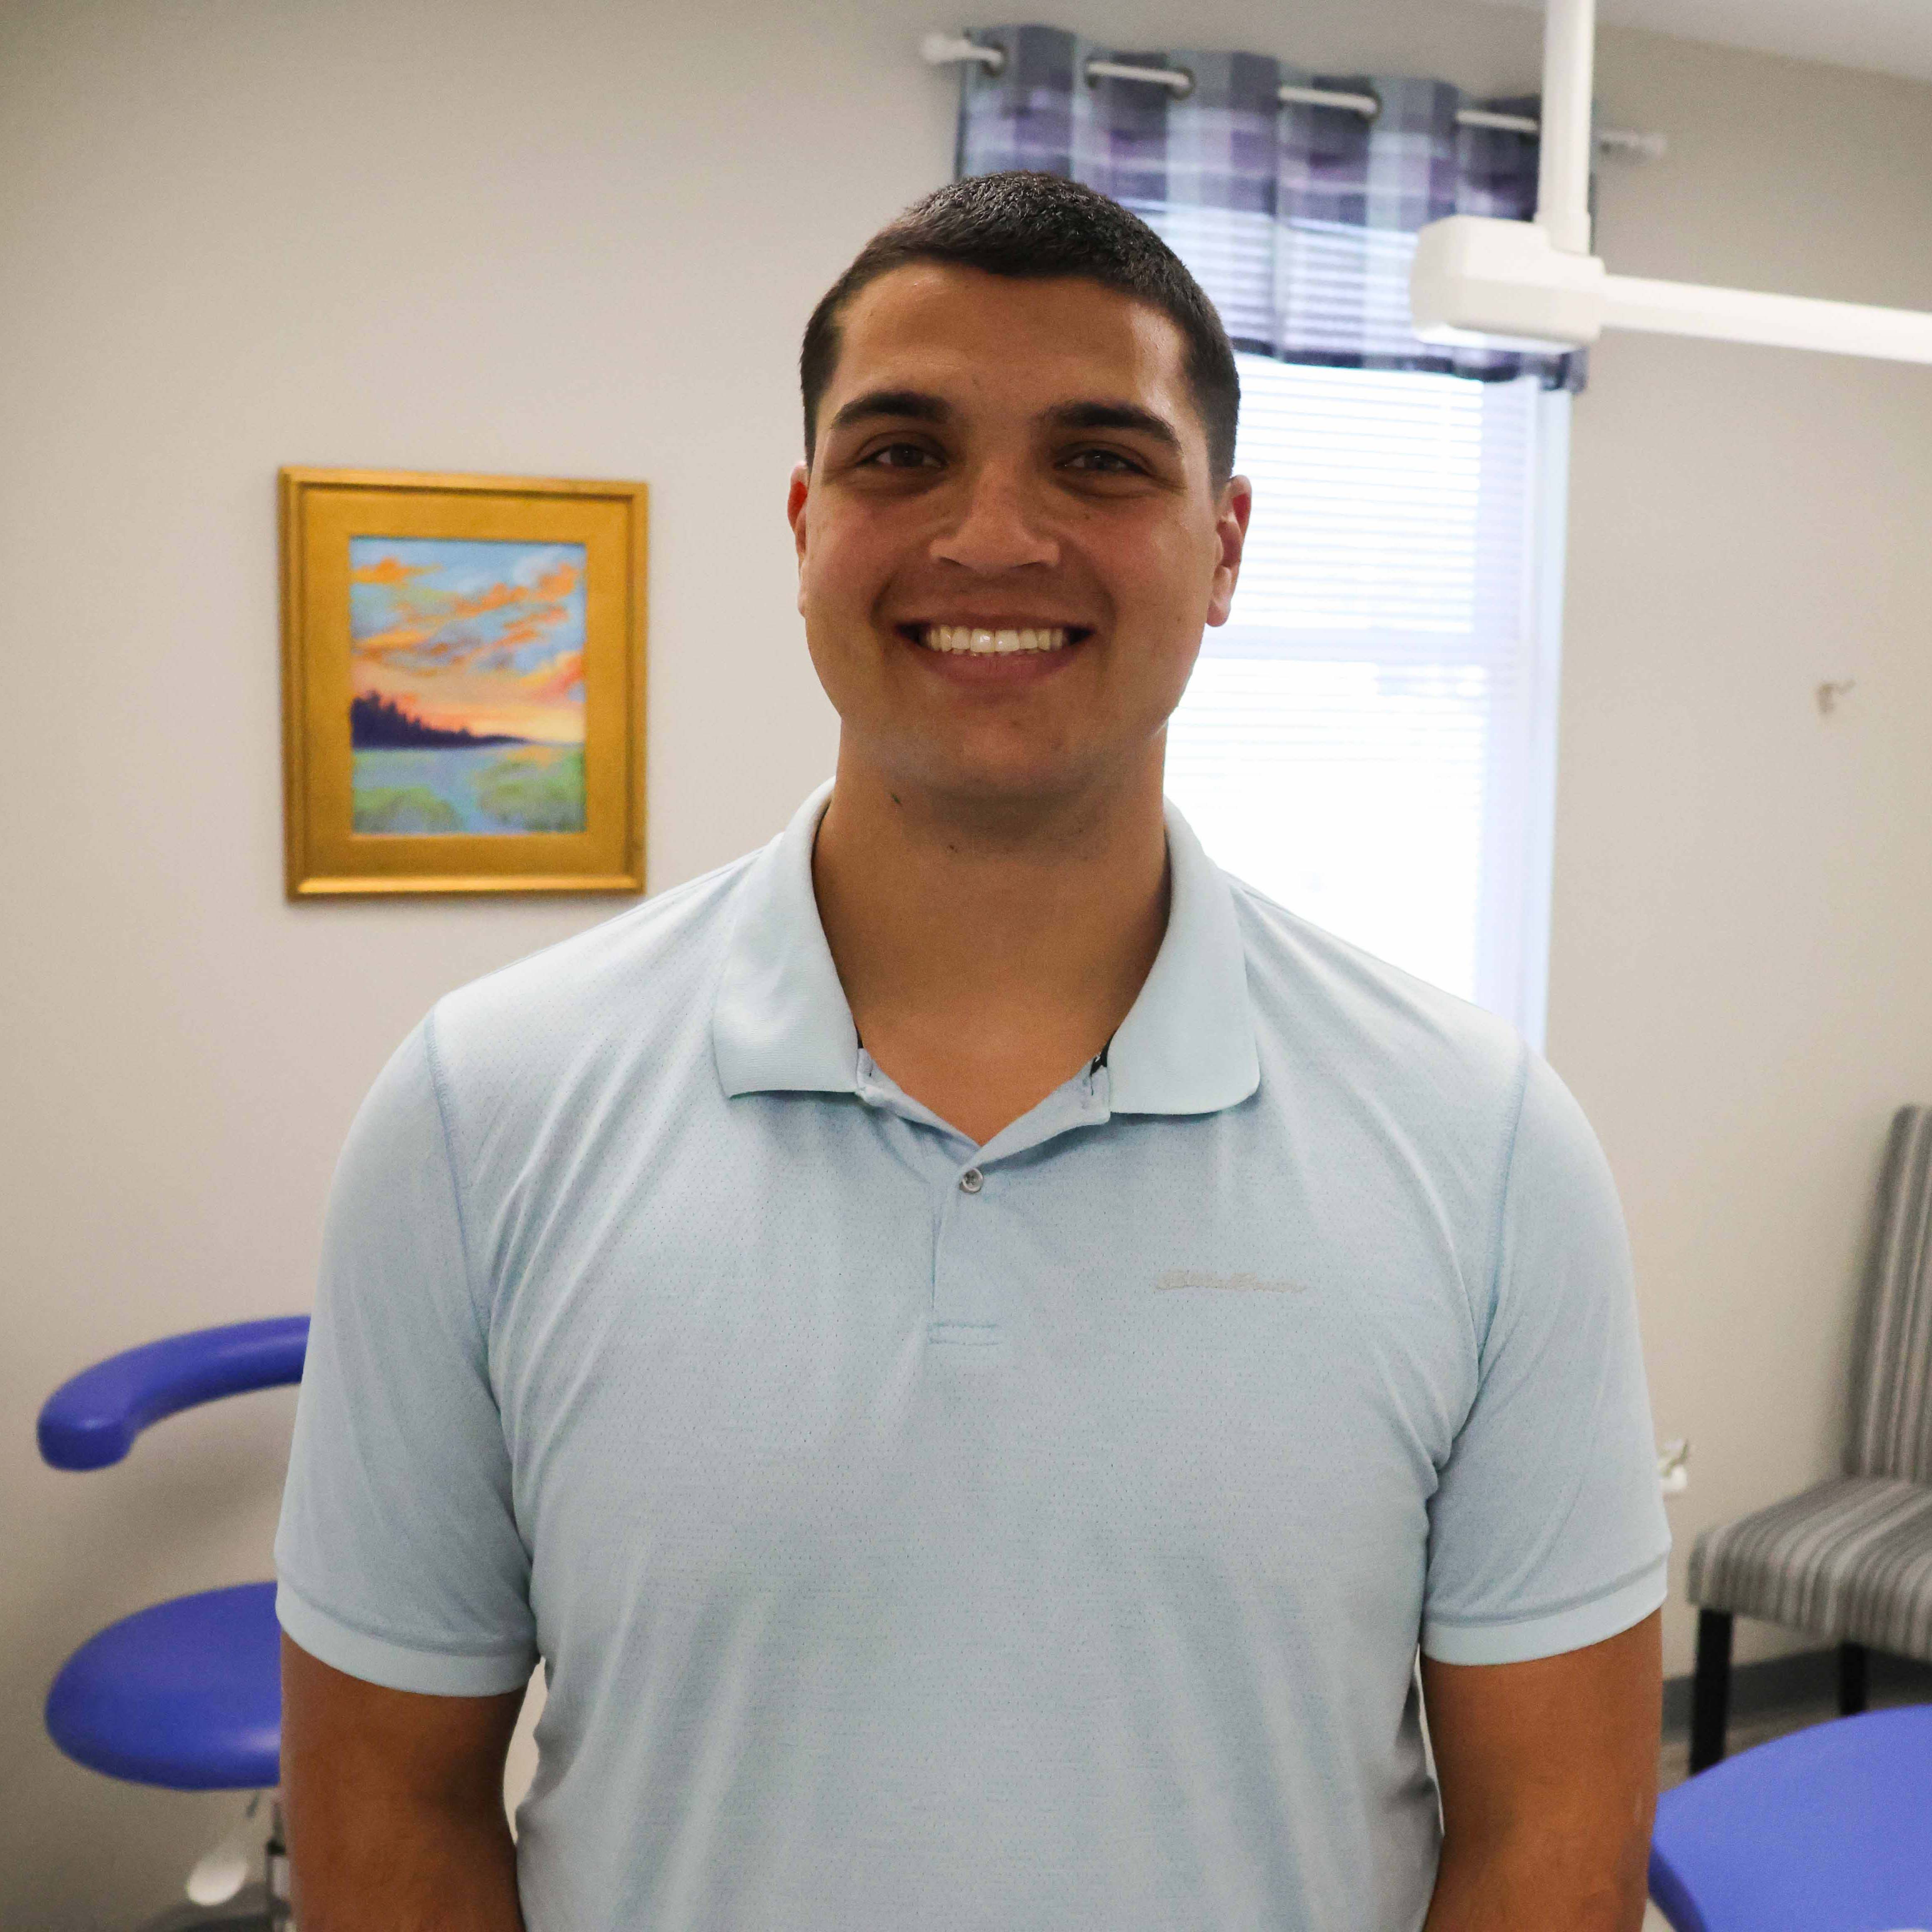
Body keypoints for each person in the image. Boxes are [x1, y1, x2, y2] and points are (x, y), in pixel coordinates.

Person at [276, 170, 1669, 1932]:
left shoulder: (1484, 1146)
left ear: (1223, 545)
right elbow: (386, 1809)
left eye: (1098, 457)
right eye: (900, 454)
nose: (992, 537)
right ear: (802, 522)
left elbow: (1546, 1842)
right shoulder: (480, 1111)